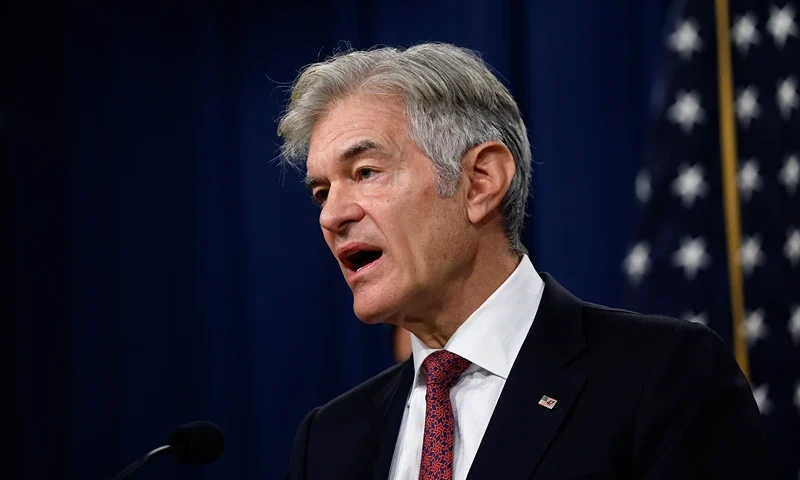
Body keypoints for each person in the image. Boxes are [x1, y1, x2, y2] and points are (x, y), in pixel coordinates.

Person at [277, 43, 774, 480]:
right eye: (321, 192)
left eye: (365, 172)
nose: (333, 215)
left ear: (480, 182)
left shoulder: (661, 377)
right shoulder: (329, 440)